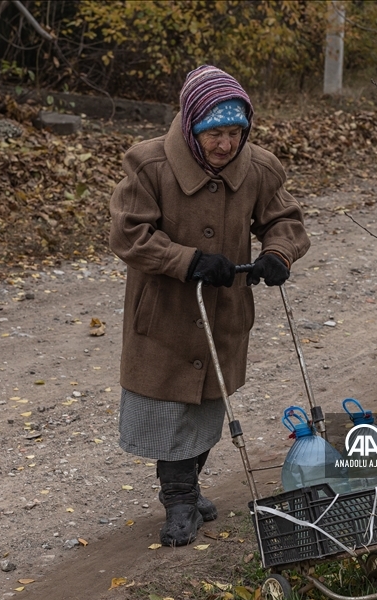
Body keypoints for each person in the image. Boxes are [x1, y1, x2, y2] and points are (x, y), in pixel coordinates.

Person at [109, 65, 310, 547]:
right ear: (193, 126)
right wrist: (188, 260)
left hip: (223, 313)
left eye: (235, 132)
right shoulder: (148, 164)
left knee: (205, 408)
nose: (226, 144)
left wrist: (278, 254)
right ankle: (179, 501)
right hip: (164, 313)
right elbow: (128, 234)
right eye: (215, 132)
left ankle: (186, 490)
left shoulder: (259, 168)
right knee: (166, 411)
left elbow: (285, 220)